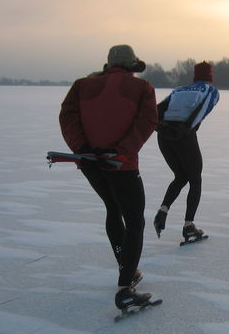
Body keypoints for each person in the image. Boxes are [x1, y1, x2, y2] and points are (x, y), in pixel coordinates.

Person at [59, 44, 158, 311]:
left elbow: (67, 117)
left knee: (113, 209)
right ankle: (126, 287)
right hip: (121, 165)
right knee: (135, 220)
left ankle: (127, 270)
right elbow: (148, 121)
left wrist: (82, 148)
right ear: (132, 64)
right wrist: (121, 151)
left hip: (91, 163)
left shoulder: (82, 85)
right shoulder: (142, 88)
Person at [153, 61, 220, 244]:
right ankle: (189, 226)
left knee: (181, 176)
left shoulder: (179, 90)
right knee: (195, 179)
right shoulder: (211, 91)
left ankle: (162, 211)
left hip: (164, 135)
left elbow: (157, 109)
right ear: (210, 77)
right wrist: (187, 128)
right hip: (182, 134)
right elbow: (202, 111)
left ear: (195, 76)